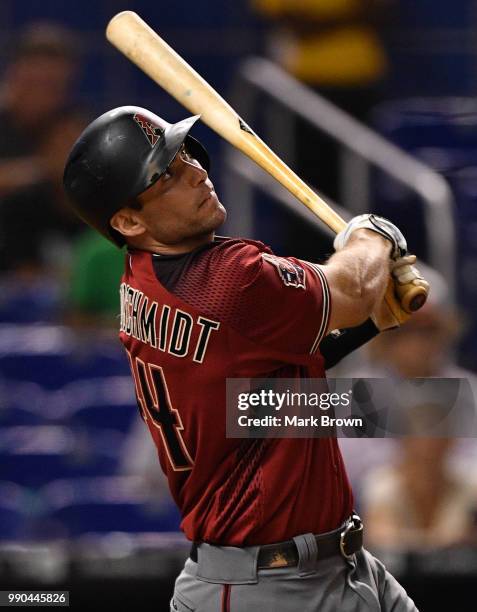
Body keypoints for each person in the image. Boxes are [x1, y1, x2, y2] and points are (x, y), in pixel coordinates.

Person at [63, 106, 428, 611]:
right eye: (164, 175)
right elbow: (350, 285)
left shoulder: (142, 276)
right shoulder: (224, 278)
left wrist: (370, 321)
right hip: (270, 586)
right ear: (127, 220)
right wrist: (371, 236)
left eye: (185, 154)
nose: (196, 171)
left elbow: (263, 398)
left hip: (339, 565)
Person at [0, 21, 80, 198]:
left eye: (53, 87)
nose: (41, 98)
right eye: (33, 85)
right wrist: (44, 169)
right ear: (13, 75)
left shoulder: (68, 125)